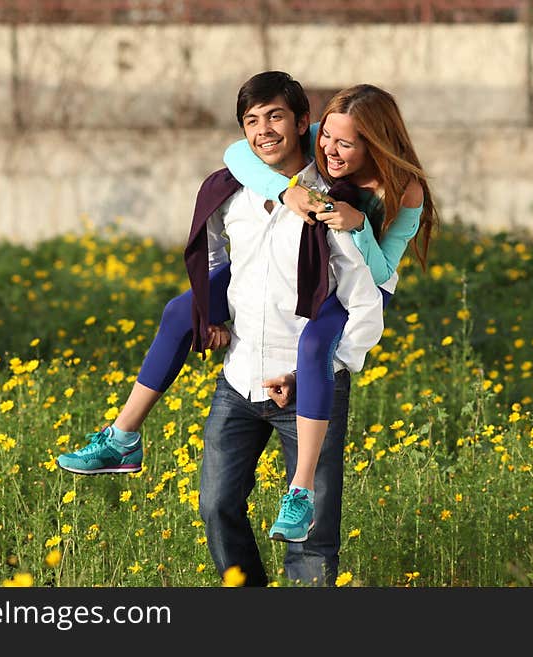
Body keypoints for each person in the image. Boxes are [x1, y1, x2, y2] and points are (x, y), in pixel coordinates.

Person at [58, 71, 384, 587]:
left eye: (276, 116)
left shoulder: (335, 202)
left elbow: (364, 302)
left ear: (304, 122)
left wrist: (318, 368)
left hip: (305, 387)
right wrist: (211, 315)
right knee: (215, 507)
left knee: (312, 535)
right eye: (252, 121)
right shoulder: (229, 189)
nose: (264, 131)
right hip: (238, 381)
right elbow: (212, 258)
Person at [221, 83, 438, 542]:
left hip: (365, 290)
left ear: (374, 143)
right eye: (326, 137)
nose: (329, 149)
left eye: (345, 143)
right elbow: (237, 154)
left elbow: (381, 274)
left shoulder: (405, 189)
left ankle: (299, 492)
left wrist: (358, 225)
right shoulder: (323, 138)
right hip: (329, 275)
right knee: (188, 307)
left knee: (317, 343)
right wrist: (287, 193)